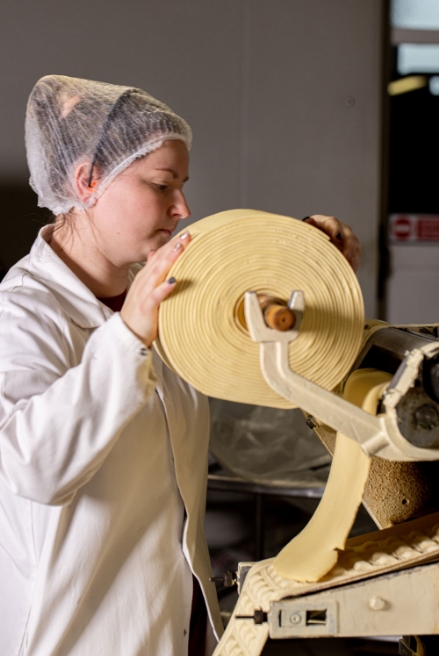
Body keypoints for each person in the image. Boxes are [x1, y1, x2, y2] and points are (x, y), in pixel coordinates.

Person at [0, 75, 361, 656]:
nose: (183, 207)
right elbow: (33, 468)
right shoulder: (24, 309)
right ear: (87, 180)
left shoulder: (157, 295)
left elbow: (248, 351)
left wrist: (307, 275)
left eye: (183, 186)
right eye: (162, 184)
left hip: (175, 618)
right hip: (82, 637)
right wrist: (128, 336)